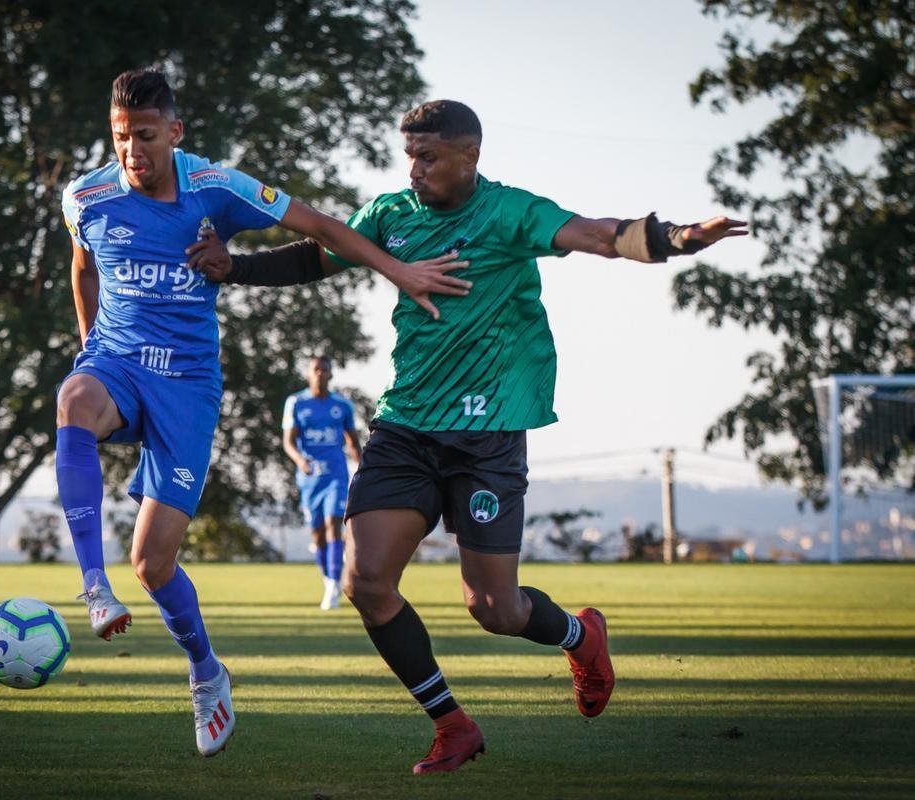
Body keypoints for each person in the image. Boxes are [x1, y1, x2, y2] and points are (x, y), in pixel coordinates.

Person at [186, 99, 746, 772]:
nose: (414, 169)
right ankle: (452, 724)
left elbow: (599, 235)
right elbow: (319, 256)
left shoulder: (510, 211)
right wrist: (234, 267)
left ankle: (579, 635)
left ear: (468, 156)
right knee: (367, 583)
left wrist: (677, 238)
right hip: (405, 426)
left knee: (493, 608)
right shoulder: (391, 215)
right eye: (409, 156)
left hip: (487, 438)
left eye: (428, 157)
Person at [55, 71, 470, 758]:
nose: (132, 152)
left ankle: (205, 671)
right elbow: (83, 266)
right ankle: (91, 586)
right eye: (121, 137)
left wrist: (397, 270)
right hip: (119, 365)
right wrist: (89, 346)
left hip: (186, 387)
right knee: (72, 397)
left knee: (154, 565)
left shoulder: (216, 187)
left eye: (147, 137)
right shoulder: (85, 197)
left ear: (176, 134)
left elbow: (322, 228)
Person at [282, 356, 362, 609]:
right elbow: (289, 441)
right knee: (317, 534)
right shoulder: (296, 402)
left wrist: (363, 470)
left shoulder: (342, 405)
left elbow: (352, 441)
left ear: (330, 374)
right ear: (308, 374)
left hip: (336, 473)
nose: (320, 373)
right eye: (316, 369)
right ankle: (328, 578)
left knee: (333, 524)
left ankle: (333, 586)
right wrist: (300, 460)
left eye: (324, 370)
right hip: (309, 478)